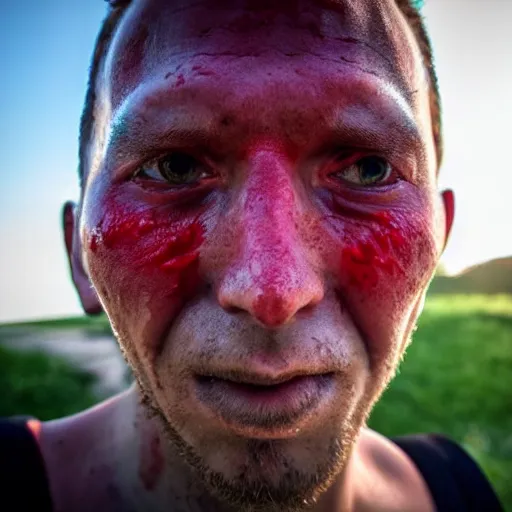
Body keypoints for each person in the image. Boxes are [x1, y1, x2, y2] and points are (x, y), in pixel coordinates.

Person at [0, 0, 504, 510]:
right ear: (77, 254)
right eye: (173, 167)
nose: (272, 291)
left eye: (368, 170)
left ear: (438, 239)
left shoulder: (461, 492)